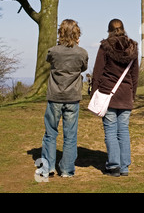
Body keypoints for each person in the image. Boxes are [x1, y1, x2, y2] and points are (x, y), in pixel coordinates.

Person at [36, 19, 88, 178]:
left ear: (60, 33)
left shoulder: (53, 51)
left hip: (55, 96)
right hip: (73, 97)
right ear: (77, 34)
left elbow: (49, 60)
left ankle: (47, 168)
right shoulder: (82, 53)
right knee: (70, 135)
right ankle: (67, 170)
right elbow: (83, 68)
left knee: (50, 133)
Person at [91, 19, 139, 177]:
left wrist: (93, 95)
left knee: (111, 131)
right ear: (123, 29)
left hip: (107, 94)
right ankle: (124, 167)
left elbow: (98, 72)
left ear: (109, 30)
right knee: (123, 131)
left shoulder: (105, 46)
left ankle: (114, 166)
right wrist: (132, 95)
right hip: (125, 95)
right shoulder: (133, 47)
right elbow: (134, 75)